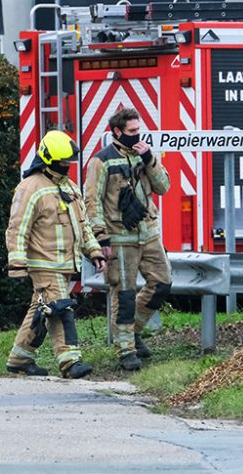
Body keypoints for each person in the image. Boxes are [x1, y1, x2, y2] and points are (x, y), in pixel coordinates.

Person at [6, 130, 107, 379]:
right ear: (48, 159)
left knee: (40, 309)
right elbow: (18, 227)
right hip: (44, 263)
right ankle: (70, 361)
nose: (67, 166)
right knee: (61, 309)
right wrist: (17, 263)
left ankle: (20, 358)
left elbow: (82, 225)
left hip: (64, 263)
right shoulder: (30, 187)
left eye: (69, 162)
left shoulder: (70, 188)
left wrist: (94, 250)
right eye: (63, 162)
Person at [84, 108, 172, 371]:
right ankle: (126, 350)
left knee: (163, 282)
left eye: (139, 130)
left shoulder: (144, 155)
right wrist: (101, 238)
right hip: (120, 238)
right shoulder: (101, 161)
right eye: (132, 132)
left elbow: (164, 187)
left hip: (148, 233)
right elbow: (92, 202)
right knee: (124, 294)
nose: (137, 135)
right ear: (117, 132)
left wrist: (149, 160)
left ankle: (133, 331)